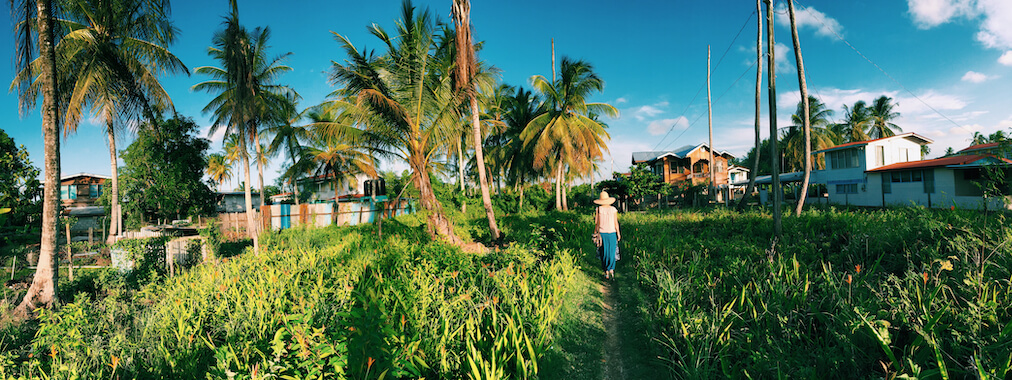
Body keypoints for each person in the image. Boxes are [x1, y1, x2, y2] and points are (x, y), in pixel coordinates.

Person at [594, 190, 621, 279]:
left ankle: (606, 271)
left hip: (602, 233)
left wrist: (595, 233)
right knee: (612, 252)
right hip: (612, 232)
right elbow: (615, 222)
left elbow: (597, 223)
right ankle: (611, 269)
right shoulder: (613, 209)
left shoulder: (598, 209)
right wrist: (618, 233)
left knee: (604, 252)